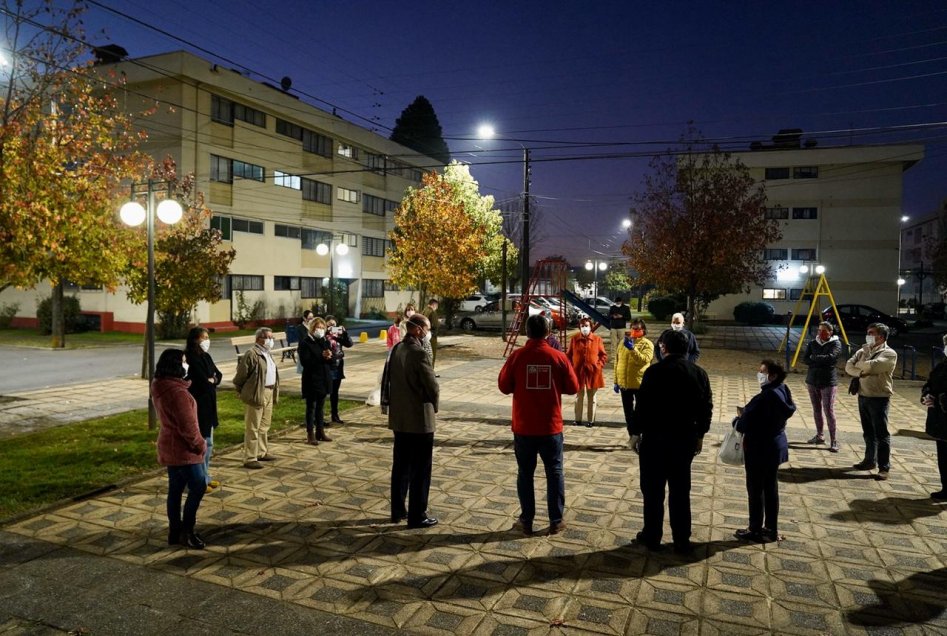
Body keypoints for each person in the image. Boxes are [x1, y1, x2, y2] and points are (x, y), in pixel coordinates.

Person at [629, 329, 712, 554]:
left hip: (654, 440)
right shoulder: (699, 373)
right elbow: (706, 408)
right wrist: (701, 435)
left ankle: (652, 535)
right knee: (680, 491)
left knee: (653, 491)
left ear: (663, 348)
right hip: (683, 439)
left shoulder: (654, 372)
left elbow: (642, 405)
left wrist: (635, 434)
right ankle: (681, 539)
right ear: (687, 349)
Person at [498, 314, 580, 536]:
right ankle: (556, 520)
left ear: (526, 332)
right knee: (554, 471)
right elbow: (573, 387)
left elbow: (504, 386)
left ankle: (526, 521)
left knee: (525, 473)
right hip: (550, 426)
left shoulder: (517, 356)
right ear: (548, 332)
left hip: (524, 425)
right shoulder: (558, 357)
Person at [384, 313, 440, 529]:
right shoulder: (419, 353)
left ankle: (397, 510)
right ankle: (418, 515)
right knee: (420, 469)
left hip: (400, 418)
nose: (428, 332)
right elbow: (431, 385)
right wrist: (434, 405)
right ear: (417, 329)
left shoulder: (398, 348)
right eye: (427, 328)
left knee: (401, 466)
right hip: (419, 419)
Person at [733, 359, 796, 543]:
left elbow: (745, 424)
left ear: (773, 375)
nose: (759, 374)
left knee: (755, 490)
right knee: (770, 489)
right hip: (775, 445)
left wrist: (737, 420)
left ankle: (755, 529)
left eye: (763, 371)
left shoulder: (765, 397)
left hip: (759, 448)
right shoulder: (783, 390)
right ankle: (770, 529)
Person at [153, 348, 207, 549]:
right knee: (198, 486)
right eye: (184, 361)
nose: (187, 365)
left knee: (175, 490)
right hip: (185, 450)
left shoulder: (160, 385)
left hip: (169, 445)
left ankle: (175, 531)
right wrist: (200, 445)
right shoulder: (178, 393)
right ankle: (187, 531)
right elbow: (188, 427)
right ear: (176, 365)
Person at [845, 323, 898, 480]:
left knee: (881, 434)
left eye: (871, 333)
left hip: (879, 398)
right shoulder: (863, 350)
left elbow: (873, 367)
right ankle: (869, 461)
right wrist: (862, 370)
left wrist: (860, 367)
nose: (867, 335)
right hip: (863, 395)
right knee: (868, 432)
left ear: (881, 336)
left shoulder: (889, 353)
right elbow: (848, 366)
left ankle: (884, 467)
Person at [233, 327, 280, 469]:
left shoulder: (267, 353)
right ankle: (250, 457)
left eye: (272, 338)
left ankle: (262, 452)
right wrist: (243, 391)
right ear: (258, 339)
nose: (271, 340)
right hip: (256, 394)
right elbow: (241, 376)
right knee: (252, 427)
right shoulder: (252, 354)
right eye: (268, 337)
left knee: (264, 425)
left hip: (269, 392)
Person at [184, 327, 222, 493]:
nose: (207, 340)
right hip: (198, 405)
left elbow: (218, 375)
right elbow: (201, 380)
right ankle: (196, 480)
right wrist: (210, 380)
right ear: (195, 340)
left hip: (209, 404)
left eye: (208, 337)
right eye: (203, 337)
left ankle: (205, 476)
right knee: (201, 444)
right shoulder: (191, 358)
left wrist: (212, 379)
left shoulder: (206, 356)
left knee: (209, 443)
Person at [802, 321, 842, 452]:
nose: (820, 333)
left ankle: (834, 440)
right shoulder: (813, 343)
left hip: (828, 382)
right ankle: (820, 435)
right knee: (816, 409)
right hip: (812, 380)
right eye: (819, 330)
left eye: (823, 331)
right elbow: (805, 359)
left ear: (830, 332)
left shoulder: (836, 343)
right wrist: (819, 360)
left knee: (828, 410)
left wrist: (815, 358)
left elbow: (831, 358)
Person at [614, 319, 654, 443]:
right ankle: (633, 436)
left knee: (640, 412)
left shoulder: (647, 344)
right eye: (633, 328)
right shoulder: (623, 343)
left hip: (639, 384)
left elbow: (645, 360)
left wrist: (633, 349)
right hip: (624, 383)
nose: (634, 331)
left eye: (637, 329)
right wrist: (616, 381)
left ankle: (639, 434)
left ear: (643, 330)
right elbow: (617, 361)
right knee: (628, 413)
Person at [298, 316, 334, 445]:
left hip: (324, 378)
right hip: (312, 379)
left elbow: (331, 362)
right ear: (312, 328)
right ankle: (310, 433)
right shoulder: (305, 342)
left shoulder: (324, 341)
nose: (320, 330)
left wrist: (330, 357)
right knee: (311, 407)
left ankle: (320, 431)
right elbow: (305, 362)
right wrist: (321, 356)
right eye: (318, 327)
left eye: (322, 328)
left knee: (321, 407)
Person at [566, 317, 607, 427]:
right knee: (579, 397)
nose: (584, 328)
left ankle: (590, 420)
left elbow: (603, 355)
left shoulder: (597, 339)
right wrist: (571, 366)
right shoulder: (574, 339)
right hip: (578, 372)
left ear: (591, 327)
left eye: (586, 326)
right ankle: (577, 419)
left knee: (592, 397)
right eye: (582, 326)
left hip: (593, 372)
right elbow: (568, 355)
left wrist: (599, 366)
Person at [921, 334, 947, 500]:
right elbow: (929, 383)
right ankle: (946, 488)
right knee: (943, 458)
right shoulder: (942, 365)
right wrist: (927, 395)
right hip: (940, 420)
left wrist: (939, 399)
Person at [325, 315, 354, 424]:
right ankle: (320, 417)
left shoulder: (338, 335)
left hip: (338, 365)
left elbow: (349, 344)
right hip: (328, 365)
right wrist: (327, 333)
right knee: (325, 391)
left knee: (335, 392)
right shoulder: (324, 335)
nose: (332, 327)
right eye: (330, 325)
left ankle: (335, 414)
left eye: (334, 325)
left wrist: (344, 333)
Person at [421, 298, 440, 367]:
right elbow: (435, 325)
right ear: (434, 305)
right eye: (437, 306)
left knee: (425, 355)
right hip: (431, 336)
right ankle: (430, 372)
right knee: (432, 355)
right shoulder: (432, 312)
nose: (437, 308)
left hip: (423, 336)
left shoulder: (424, 310)